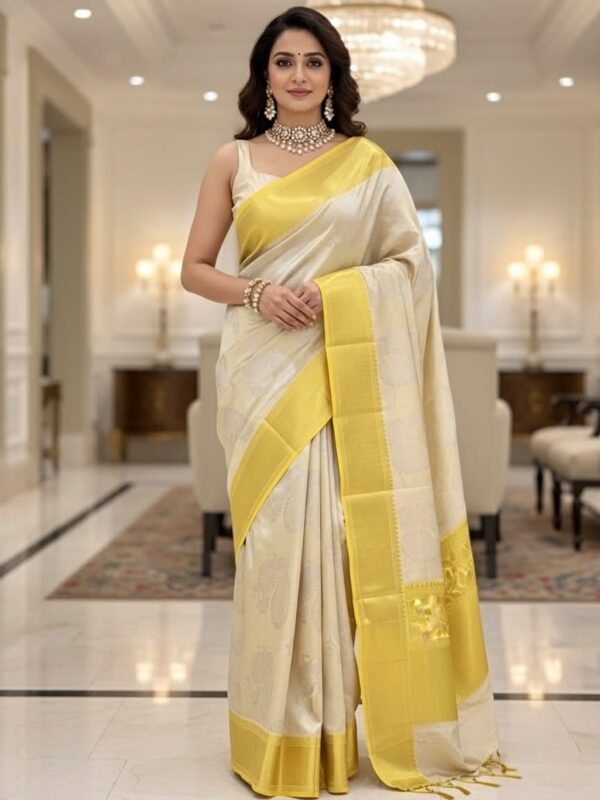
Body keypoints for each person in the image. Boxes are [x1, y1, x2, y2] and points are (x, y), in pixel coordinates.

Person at [181, 6, 520, 798]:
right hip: (262, 372)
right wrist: (259, 292)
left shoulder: (367, 164)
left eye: (314, 62)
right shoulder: (232, 159)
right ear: (263, 76)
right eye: (284, 61)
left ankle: (330, 734)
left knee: (337, 545)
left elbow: (409, 267)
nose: (299, 75)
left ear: (334, 75)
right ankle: (277, 737)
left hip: (343, 368)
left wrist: (337, 295)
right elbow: (195, 269)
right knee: (273, 550)